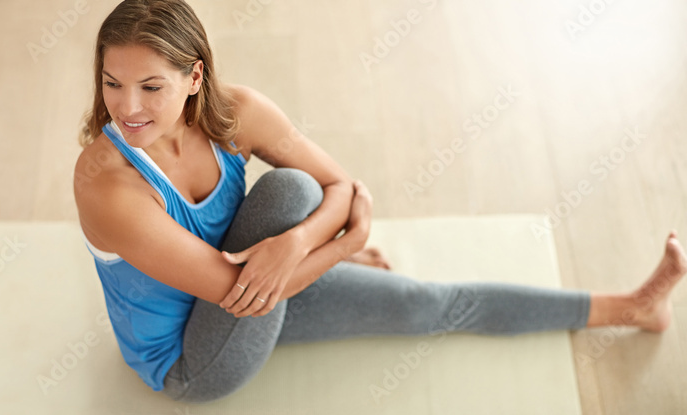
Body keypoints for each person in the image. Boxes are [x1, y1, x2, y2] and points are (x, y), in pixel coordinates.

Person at [72, 0, 685, 404]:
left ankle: (630, 306)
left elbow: (341, 185)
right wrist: (341, 243)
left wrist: (302, 242)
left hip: (264, 275)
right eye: (111, 83)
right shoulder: (108, 186)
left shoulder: (238, 112)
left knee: (425, 301)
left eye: (151, 86)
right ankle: (323, 261)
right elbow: (239, 291)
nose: (127, 109)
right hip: (195, 355)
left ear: (195, 78)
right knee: (290, 192)